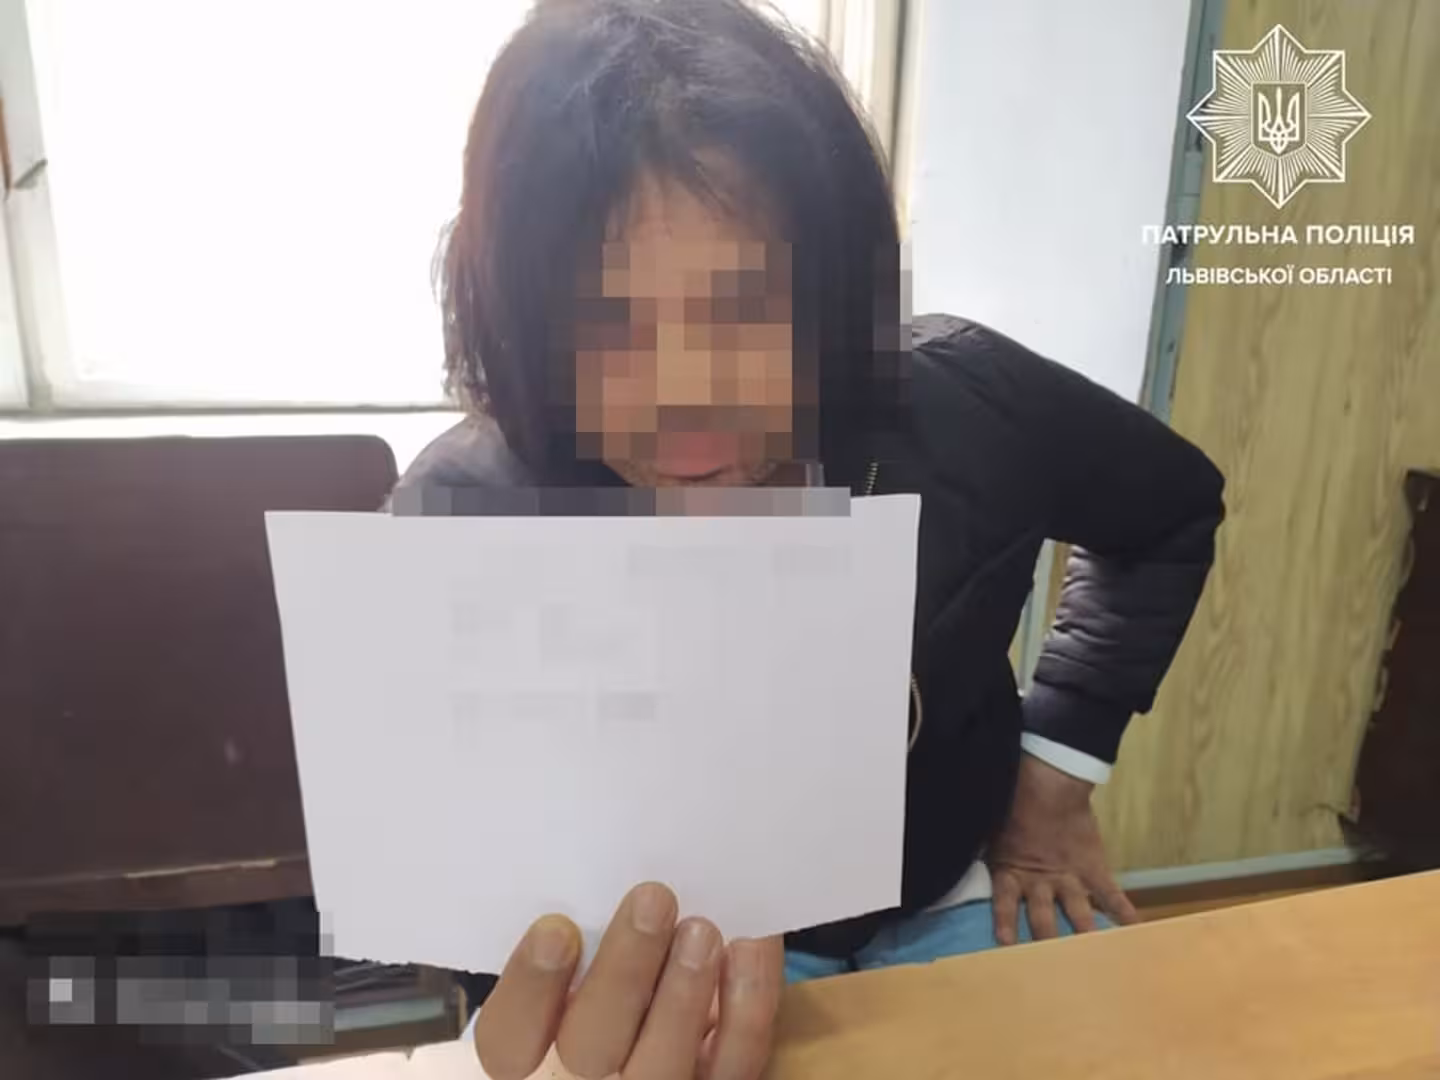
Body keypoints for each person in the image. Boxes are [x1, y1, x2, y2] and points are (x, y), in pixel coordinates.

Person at [396, 0, 1224, 1052]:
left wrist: (1057, 775)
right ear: (518, 321)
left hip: (947, 886)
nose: (686, 397)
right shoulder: (470, 513)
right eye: (606, 324)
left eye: (744, 306)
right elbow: (473, 884)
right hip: (665, 934)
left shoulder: (965, 409)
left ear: (836, 291)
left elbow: (1168, 509)